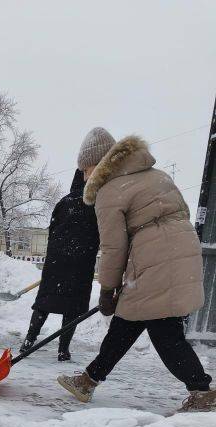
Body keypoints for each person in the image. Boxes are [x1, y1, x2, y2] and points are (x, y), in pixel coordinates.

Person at [58, 127, 215, 412]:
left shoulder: (108, 191)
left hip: (155, 259)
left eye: (86, 169)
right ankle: (88, 380)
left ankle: (203, 392)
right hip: (179, 251)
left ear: (101, 162)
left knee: (165, 331)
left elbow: (113, 247)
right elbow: (181, 215)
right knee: (127, 322)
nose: (84, 177)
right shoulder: (157, 175)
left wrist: (107, 288)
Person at [21, 169, 100, 361]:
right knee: (72, 307)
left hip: (56, 262)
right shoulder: (96, 205)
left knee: (44, 302)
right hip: (81, 264)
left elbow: (53, 229)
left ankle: (28, 342)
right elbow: (99, 233)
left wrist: (59, 251)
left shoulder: (63, 202)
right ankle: (63, 350)